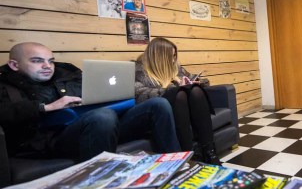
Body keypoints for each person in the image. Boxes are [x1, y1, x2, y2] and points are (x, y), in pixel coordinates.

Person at [0, 43, 181, 162]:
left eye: (50, 61)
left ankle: (175, 162)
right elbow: (6, 112)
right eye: (37, 61)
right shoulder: (6, 85)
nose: (47, 66)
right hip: (53, 139)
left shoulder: (68, 74)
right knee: (103, 116)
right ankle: (104, 181)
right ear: (14, 65)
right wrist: (45, 107)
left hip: (101, 126)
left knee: (158, 104)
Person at [134, 37, 220, 165]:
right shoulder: (139, 70)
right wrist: (174, 89)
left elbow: (202, 80)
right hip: (163, 110)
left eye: (174, 56)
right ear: (158, 56)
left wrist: (197, 82)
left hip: (184, 108)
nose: (173, 60)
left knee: (196, 90)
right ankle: (188, 154)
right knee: (180, 94)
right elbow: (140, 95)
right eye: (170, 56)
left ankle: (210, 152)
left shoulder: (176, 68)